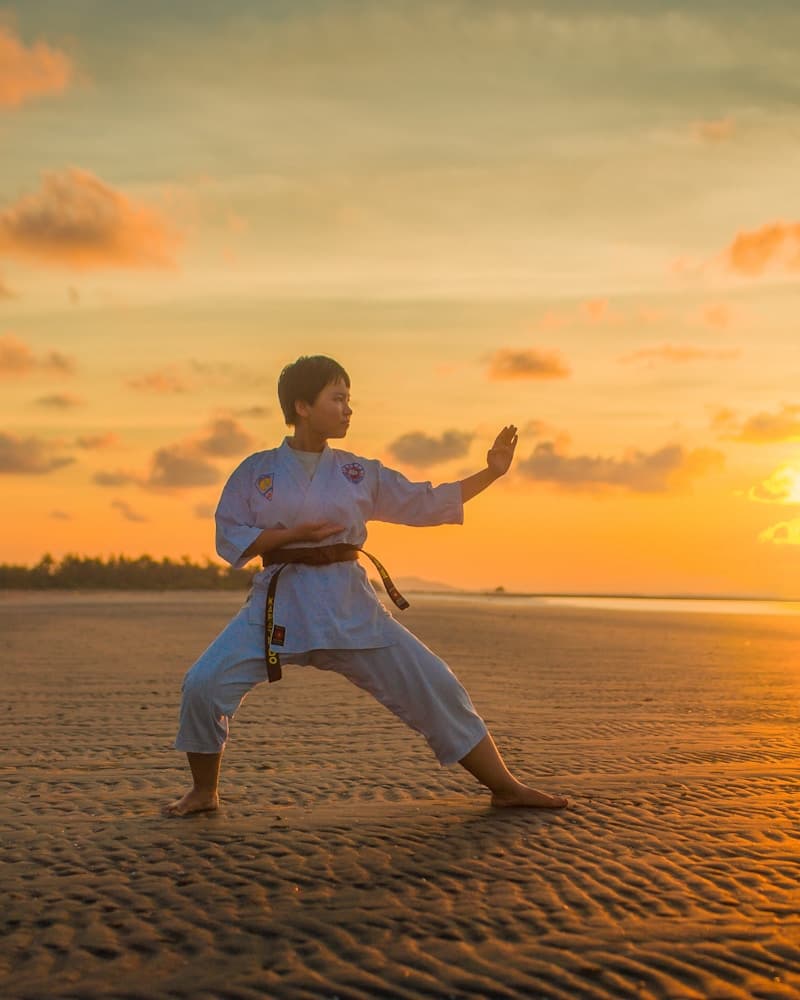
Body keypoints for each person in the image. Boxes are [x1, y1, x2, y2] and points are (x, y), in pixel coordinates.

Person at [164, 355, 568, 816]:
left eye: (349, 399)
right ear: (302, 406)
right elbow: (228, 533)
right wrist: (293, 536)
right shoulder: (257, 472)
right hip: (279, 605)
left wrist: (491, 473)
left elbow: (425, 502)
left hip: (350, 607)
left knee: (434, 683)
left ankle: (505, 786)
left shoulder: (358, 472)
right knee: (203, 684)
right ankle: (204, 792)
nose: (348, 409)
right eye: (337, 398)